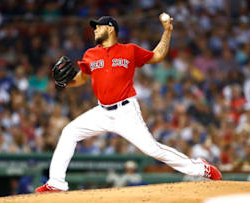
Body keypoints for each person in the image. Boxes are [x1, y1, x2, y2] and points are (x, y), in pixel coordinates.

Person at [35, 13, 222, 193]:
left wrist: (167, 31)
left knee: (153, 149)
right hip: (102, 112)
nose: (94, 30)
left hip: (125, 111)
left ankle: (200, 168)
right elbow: (81, 78)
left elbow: (157, 55)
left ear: (110, 28)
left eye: (98, 26)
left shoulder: (129, 50)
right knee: (69, 132)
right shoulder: (90, 54)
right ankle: (57, 182)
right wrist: (66, 82)